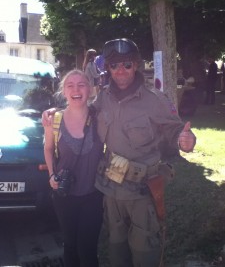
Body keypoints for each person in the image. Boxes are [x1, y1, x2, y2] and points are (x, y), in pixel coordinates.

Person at [43, 38, 196, 267]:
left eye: (126, 64)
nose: (120, 70)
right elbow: (82, 110)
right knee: (116, 253)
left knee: (144, 254)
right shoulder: (103, 98)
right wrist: (57, 112)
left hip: (142, 192)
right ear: (108, 69)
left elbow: (176, 130)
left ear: (136, 65)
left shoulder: (155, 100)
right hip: (111, 191)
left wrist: (186, 140)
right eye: (114, 65)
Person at [43, 69, 104, 267]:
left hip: (93, 195)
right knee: (70, 246)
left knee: (87, 250)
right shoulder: (55, 120)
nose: (76, 90)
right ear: (64, 91)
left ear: (90, 89)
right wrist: (52, 174)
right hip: (64, 196)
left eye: (81, 85)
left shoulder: (100, 117)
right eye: (70, 85)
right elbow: (49, 148)